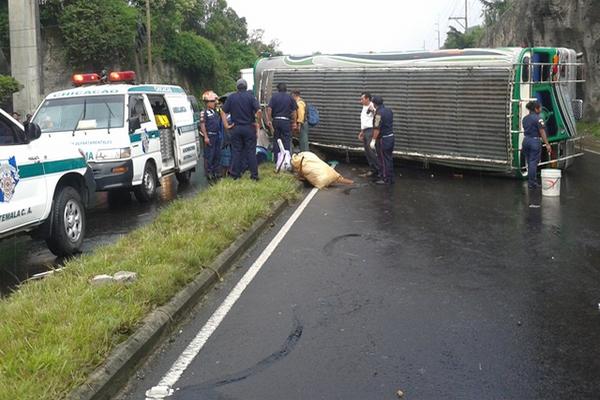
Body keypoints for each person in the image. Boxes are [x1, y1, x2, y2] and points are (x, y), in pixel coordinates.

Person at [221, 79, 262, 181]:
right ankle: (254, 176)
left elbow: (222, 111)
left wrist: (226, 125)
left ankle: (235, 174)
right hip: (249, 127)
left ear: (237, 87)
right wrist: (258, 123)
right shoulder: (250, 97)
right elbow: (259, 111)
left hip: (236, 128)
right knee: (251, 152)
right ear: (246, 87)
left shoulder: (231, 98)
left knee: (236, 151)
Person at [522, 100, 551, 189]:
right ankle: (532, 183)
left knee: (529, 161)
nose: (541, 109)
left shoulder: (525, 118)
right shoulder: (538, 119)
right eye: (540, 107)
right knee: (533, 162)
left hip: (526, 140)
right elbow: (542, 132)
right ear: (536, 109)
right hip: (534, 141)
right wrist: (547, 144)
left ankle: (531, 181)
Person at [266, 83, 297, 162]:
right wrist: (294, 122)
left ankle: (277, 160)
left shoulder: (274, 97)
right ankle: (286, 160)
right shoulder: (290, 98)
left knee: (277, 139)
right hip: (286, 121)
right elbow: (294, 111)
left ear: (278, 89)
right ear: (286, 89)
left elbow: (269, 109)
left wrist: (269, 120)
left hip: (276, 120)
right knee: (286, 140)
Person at [370, 96, 395, 185]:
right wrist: (374, 111)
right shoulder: (388, 110)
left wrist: (373, 140)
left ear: (374, 103)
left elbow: (377, 128)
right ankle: (390, 177)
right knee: (388, 159)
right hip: (390, 137)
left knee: (383, 160)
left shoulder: (378, 114)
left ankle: (385, 179)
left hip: (383, 140)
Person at [200, 90, 223, 181]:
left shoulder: (216, 112)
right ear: (207, 102)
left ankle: (216, 172)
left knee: (217, 155)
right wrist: (205, 136)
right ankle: (208, 172)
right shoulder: (204, 112)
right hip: (210, 136)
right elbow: (202, 124)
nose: (215, 103)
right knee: (209, 155)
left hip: (217, 135)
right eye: (213, 101)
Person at [357, 92, 378, 178]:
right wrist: (362, 132)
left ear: (367, 99)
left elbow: (377, 116)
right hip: (365, 131)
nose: (360, 100)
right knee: (367, 152)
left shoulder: (372, 106)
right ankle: (373, 170)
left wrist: (373, 110)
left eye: (362, 99)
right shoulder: (364, 107)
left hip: (370, 131)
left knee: (371, 152)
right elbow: (364, 120)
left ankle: (378, 170)